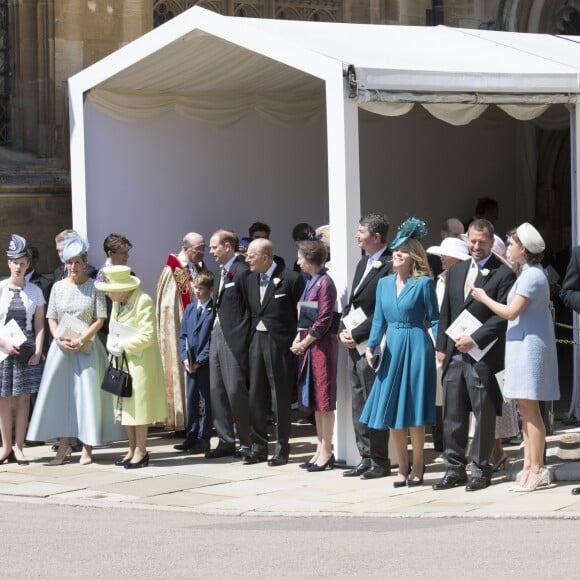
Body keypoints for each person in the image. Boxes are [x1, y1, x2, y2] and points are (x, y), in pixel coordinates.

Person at [471, 223, 560, 491]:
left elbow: (511, 312)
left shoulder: (533, 276)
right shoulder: (526, 274)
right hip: (521, 345)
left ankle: (536, 468)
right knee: (525, 409)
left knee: (531, 411)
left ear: (524, 248)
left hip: (530, 347)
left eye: (512, 244)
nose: (508, 248)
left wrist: (484, 297)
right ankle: (528, 466)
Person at [27, 232, 125, 464]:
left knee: (87, 397)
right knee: (62, 398)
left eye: (77, 262)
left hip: (87, 349)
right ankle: (63, 447)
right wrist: (58, 339)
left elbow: (100, 318)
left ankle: (88, 448)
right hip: (61, 350)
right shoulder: (58, 287)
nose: (72, 266)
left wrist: (82, 339)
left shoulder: (95, 286)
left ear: (84, 263)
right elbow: (51, 318)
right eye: (69, 262)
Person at [433, 219, 516, 492]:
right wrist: (441, 347)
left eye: (482, 242)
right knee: (453, 414)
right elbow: (446, 311)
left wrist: (475, 338)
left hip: (483, 354)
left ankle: (481, 469)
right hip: (456, 354)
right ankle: (454, 468)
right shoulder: (456, 272)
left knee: (483, 413)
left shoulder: (503, 275)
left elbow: (502, 317)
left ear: (492, 243)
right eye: (472, 240)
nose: (476, 246)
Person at [360, 218, 439, 487]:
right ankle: (401, 466)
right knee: (392, 410)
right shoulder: (384, 284)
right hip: (391, 346)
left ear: (414, 257)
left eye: (403, 251)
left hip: (416, 345)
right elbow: (379, 321)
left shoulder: (424, 284)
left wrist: (440, 349)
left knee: (414, 410)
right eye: (395, 250)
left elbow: (436, 320)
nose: (396, 254)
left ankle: (418, 464)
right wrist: (371, 347)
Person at [96, 266, 168, 468]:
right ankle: (132, 447)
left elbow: (148, 335)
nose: (107, 294)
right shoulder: (119, 302)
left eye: (109, 290)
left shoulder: (143, 300)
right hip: (121, 362)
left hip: (140, 362)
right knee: (124, 406)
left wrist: (124, 346)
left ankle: (141, 450)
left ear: (121, 287)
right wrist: (111, 343)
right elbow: (112, 328)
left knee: (139, 407)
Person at [339, 213, 393, 480]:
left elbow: (382, 308)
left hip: (373, 343)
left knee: (374, 401)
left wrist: (359, 333)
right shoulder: (363, 263)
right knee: (359, 400)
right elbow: (352, 304)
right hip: (354, 343)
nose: (357, 235)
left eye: (361, 231)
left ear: (376, 237)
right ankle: (365, 455)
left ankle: (381, 461)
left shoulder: (390, 263)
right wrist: (343, 330)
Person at [244, 238, 305, 466]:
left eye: (251, 255)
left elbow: (304, 312)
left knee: (279, 396)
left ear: (265, 258)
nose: (247, 259)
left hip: (280, 343)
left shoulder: (291, 278)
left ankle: (282, 447)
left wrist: (300, 339)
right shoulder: (250, 280)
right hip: (256, 341)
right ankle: (258, 446)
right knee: (255, 394)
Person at [291, 239, 338, 472]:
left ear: (310, 258)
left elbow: (324, 318)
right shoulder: (310, 282)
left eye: (300, 256)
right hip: (309, 345)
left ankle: (327, 451)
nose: (298, 260)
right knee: (316, 400)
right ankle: (319, 447)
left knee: (324, 400)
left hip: (321, 347)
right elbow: (305, 316)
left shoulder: (325, 282)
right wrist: (298, 339)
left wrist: (306, 341)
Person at [206, 229, 252, 459]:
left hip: (235, 338)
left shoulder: (242, 271)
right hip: (217, 334)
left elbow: (250, 310)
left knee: (235, 390)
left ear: (227, 246)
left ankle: (247, 441)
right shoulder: (221, 272)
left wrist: (244, 341)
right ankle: (225, 440)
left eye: (215, 247)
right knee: (217, 389)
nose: (211, 251)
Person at [0, 235, 45, 465]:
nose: (18, 266)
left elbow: (38, 325)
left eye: (23, 262)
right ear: (8, 263)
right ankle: (6, 447)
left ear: (28, 264)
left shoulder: (35, 291)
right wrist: (4, 344)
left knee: (24, 399)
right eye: (15, 262)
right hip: (2, 349)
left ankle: (19, 447)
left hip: (26, 348)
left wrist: (37, 352)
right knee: (4, 399)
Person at [156, 232, 206, 432]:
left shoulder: (197, 267)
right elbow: (170, 309)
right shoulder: (174, 270)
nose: (202, 253)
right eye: (198, 249)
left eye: (203, 248)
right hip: (182, 331)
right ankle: (183, 419)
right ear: (185, 248)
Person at [426, 235, 471, 455]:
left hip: (464, 343)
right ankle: (443, 441)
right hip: (441, 342)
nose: (442, 258)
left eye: (447, 255)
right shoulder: (441, 278)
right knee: (441, 395)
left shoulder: (466, 277)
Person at [174, 271, 215, 454]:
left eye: (201, 289)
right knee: (191, 400)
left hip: (204, 364)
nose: (197, 292)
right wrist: (185, 358)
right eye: (195, 288)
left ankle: (203, 438)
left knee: (206, 402)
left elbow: (211, 339)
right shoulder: (190, 308)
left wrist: (200, 360)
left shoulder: (213, 310)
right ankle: (191, 436)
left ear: (209, 290)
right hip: (189, 364)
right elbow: (183, 336)